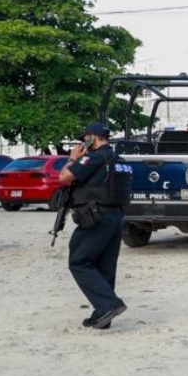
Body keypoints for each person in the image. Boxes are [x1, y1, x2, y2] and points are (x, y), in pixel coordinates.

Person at [58, 123, 133, 329]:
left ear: (93, 137)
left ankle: (109, 305)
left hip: (95, 217)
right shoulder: (120, 161)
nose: (83, 143)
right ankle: (102, 315)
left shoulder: (93, 158)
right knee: (105, 266)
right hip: (116, 217)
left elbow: (63, 178)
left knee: (79, 261)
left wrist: (73, 158)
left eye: (85, 138)